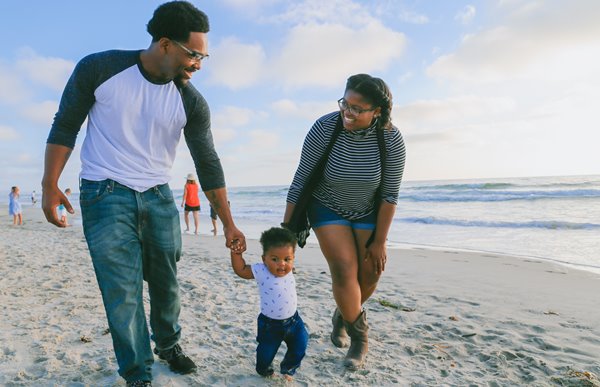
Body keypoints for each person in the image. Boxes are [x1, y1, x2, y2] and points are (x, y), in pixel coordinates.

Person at [41, 2, 246, 385]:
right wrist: (49, 184)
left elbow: (207, 162)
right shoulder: (99, 68)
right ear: (166, 44)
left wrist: (229, 221)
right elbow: (65, 124)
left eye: (203, 55)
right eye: (194, 54)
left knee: (166, 283)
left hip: (158, 197)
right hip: (104, 194)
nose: (199, 63)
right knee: (122, 290)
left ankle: (167, 343)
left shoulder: (190, 101)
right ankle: (138, 371)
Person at [283, 74, 406, 369]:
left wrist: (380, 241)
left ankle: (344, 314)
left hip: (368, 211)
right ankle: (360, 337)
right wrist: (286, 231)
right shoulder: (326, 127)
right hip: (327, 206)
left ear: (377, 111)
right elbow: (301, 178)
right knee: (344, 269)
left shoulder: (391, 138)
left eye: (357, 108)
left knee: (370, 273)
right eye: (345, 104)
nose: (347, 113)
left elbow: (390, 195)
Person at [230, 227, 308, 381]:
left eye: (287, 259)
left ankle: (288, 369)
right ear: (264, 258)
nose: (281, 264)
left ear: (293, 258)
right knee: (265, 354)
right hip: (270, 325)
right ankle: (265, 370)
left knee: (300, 346)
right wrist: (236, 254)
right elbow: (241, 270)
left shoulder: (289, 270)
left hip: (294, 321)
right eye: (274, 259)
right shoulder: (261, 270)